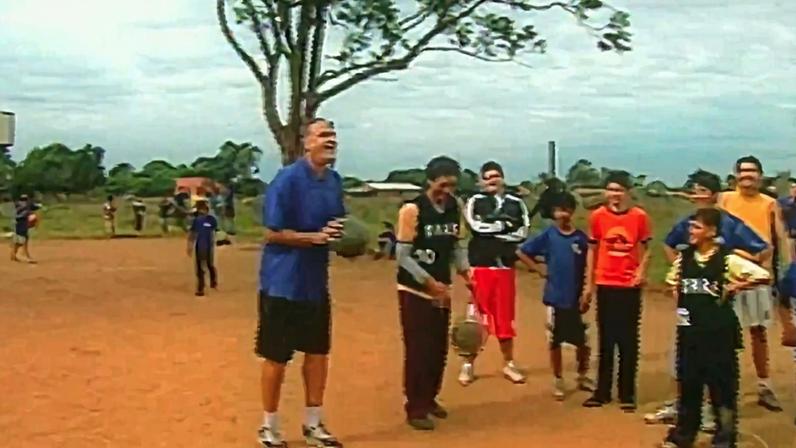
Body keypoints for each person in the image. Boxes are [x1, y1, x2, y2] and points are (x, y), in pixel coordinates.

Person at [646, 169, 769, 426]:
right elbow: (669, 245)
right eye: (694, 190)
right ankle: (683, 406)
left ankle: (714, 413)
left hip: (717, 303)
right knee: (683, 355)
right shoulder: (689, 223)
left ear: (714, 195)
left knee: (716, 358)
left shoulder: (729, 223)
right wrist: (683, 270)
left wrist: (730, 270)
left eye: (701, 191)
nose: (695, 196)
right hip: (692, 300)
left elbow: (762, 251)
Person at [256, 118, 344, 448]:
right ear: (306, 143)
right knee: (276, 358)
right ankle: (269, 426)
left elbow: (335, 223)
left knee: (318, 354)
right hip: (282, 283)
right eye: (323, 135)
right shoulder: (287, 180)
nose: (330, 140)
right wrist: (314, 238)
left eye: (333, 135)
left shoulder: (334, 181)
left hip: (315, 283)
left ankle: (313, 424)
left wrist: (340, 235)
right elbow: (272, 232)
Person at [661, 208, 771, 448]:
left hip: (719, 333)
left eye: (697, 227)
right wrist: (676, 293)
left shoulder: (727, 259)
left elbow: (763, 276)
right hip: (689, 332)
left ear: (711, 231)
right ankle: (683, 436)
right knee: (689, 386)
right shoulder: (684, 258)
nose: (691, 231)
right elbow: (671, 283)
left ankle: (724, 439)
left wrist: (737, 285)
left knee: (722, 388)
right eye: (691, 226)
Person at [396, 155, 471, 431]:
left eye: (452, 184)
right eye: (443, 184)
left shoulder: (455, 207)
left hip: (442, 288)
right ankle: (414, 405)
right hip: (415, 289)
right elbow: (402, 255)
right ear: (430, 181)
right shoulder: (412, 210)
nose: (447, 190)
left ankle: (429, 398)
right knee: (418, 349)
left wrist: (466, 273)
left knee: (438, 348)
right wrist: (427, 281)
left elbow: (457, 247)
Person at [717, 155, 794, 411]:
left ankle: (764, 385)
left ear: (760, 176)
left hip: (758, 272)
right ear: (735, 175)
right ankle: (721, 387)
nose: (747, 176)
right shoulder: (725, 199)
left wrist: (784, 269)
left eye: (752, 172)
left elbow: (780, 237)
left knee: (758, 331)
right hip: (727, 272)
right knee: (722, 331)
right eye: (742, 171)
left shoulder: (770, 203)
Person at [581, 170, 651, 411]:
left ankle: (627, 393)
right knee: (606, 339)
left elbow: (646, 247)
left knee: (629, 339)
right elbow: (592, 249)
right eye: (611, 190)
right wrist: (588, 284)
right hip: (605, 282)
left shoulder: (639, 217)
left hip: (628, 284)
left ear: (628, 192)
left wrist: (641, 271)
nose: (615, 195)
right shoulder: (598, 216)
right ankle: (602, 391)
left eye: (619, 190)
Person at [516, 191, 594, 400]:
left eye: (567, 209)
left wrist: (587, 290)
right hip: (554, 297)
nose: (563, 214)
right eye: (559, 210)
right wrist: (538, 268)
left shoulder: (581, 238)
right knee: (555, 341)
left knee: (583, 342)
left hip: (576, 297)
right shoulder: (548, 235)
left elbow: (590, 262)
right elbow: (522, 252)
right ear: (553, 212)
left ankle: (582, 375)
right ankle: (558, 378)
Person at [459, 161, 529, 386]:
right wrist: (503, 227)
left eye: (496, 176)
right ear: (481, 181)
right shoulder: (475, 202)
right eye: (488, 177)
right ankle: (468, 365)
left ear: (503, 178)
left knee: (505, 318)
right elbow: (476, 227)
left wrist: (495, 232)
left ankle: (508, 363)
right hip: (481, 266)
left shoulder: (517, 204)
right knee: (476, 319)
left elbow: (522, 232)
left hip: (505, 268)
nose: (492, 180)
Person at [187, 200, 218, 297]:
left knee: (208, 265)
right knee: (202, 267)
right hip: (202, 245)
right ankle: (201, 287)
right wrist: (190, 245)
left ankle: (212, 281)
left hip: (207, 245)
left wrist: (190, 245)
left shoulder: (211, 219)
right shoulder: (197, 220)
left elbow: (216, 231)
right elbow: (192, 233)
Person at [11, 194, 40, 263]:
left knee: (20, 240)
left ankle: (13, 254)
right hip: (23, 223)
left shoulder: (16, 204)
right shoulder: (28, 204)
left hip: (17, 223)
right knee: (24, 239)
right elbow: (35, 207)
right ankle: (26, 256)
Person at [778, 179, 796, 258]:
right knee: (790, 259)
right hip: (788, 235)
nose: (795, 190)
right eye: (793, 187)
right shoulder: (782, 202)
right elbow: (779, 218)